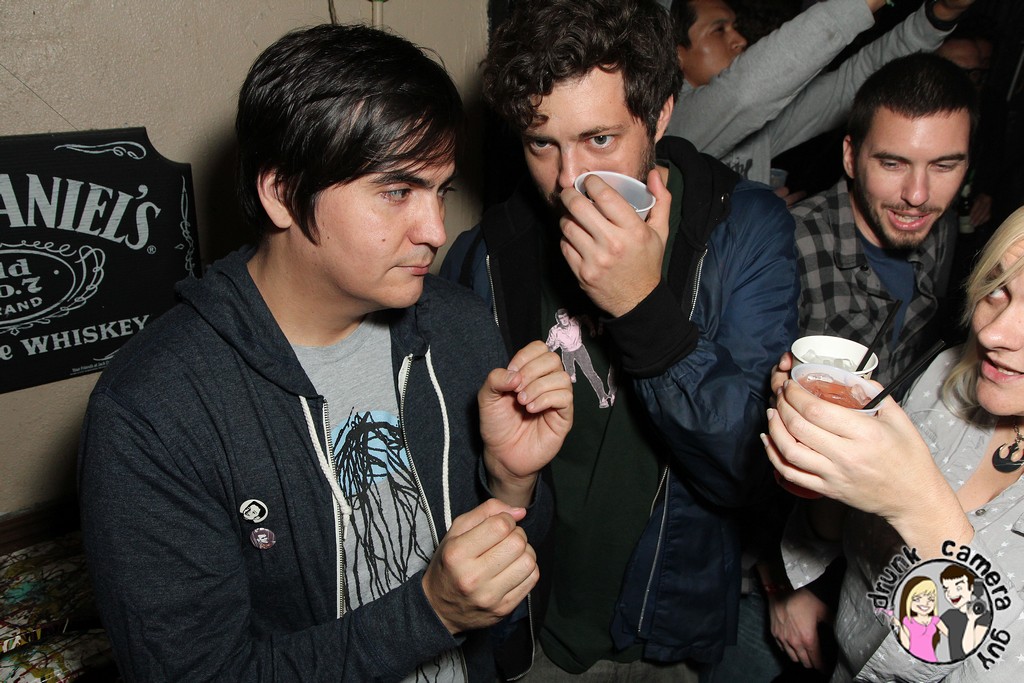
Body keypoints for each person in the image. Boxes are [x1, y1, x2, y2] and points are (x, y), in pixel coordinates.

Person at [77, 24, 573, 682]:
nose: (435, 229)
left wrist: (510, 481)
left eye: (440, 191)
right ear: (281, 193)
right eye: (397, 191)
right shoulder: (151, 412)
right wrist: (430, 611)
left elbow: (516, 561)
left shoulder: (458, 324)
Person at [441, 0, 799, 677]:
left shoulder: (743, 227)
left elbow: (752, 472)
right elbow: (454, 469)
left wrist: (642, 312)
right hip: (534, 626)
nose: (568, 179)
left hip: (667, 636)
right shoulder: (486, 254)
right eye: (541, 143)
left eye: (599, 139)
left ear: (660, 115)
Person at [765, 205, 1024, 682]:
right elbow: (838, 533)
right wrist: (827, 460)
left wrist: (920, 505)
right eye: (998, 288)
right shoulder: (949, 376)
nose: (992, 333)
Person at [791, 52, 977, 388]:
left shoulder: (941, 231)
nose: (917, 195)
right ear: (851, 157)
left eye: (944, 166)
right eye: (892, 164)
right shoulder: (789, 246)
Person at [662, 0, 977, 195]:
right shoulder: (665, 124)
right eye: (719, 30)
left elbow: (850, 83)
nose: (740, 39)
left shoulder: (756, 129)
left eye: (735, 26)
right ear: (676, 53)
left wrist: (936, 17)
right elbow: (745, 93)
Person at [939, 565, 991, 660]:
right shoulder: (949, 615)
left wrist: (971, 620)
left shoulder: (984, 616)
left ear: (971, 587)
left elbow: (969, 651)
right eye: (946, 589)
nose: (951, 594)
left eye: (958, 588)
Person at [894, 577, 946, 662]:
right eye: (917, 599)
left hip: (931, 660)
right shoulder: (908, 621)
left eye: (931, 599)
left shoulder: (935, 620)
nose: (925, 603)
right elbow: (906, 645)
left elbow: (952, 635)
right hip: (913, 661)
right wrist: (899, 626)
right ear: (908, 600)